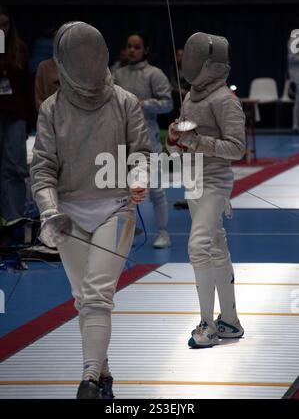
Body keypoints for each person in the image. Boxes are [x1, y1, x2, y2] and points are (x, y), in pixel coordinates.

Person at [30, 21, 151, 399]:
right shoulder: (51, 109)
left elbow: (143, 153)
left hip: (115, 208)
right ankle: (104, 373)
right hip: (67, 212)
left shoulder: (125, 102)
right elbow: (42, 168)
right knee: (85, 298)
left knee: (98, 294)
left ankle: (87, 380)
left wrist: (139, 177)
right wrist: (50, 211)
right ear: (62, 61)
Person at [167, 32, 245, 348]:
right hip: (193, 180)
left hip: (215, 182)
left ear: (211, 64)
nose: (190, 62)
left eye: (197, 57)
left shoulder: (225, 99)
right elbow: (184, 139)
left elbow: (238, 148)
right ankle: (230, 321)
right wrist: (175, 139)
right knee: (215, 246)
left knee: (199, 246)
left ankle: (207, 325)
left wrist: (198, 142)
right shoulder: (191, 96)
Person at [114, 32, 173, 248]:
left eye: (136, 47)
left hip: (149, 140)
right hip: (123, 140)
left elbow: (168, 104)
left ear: (145, 50)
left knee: (155, 189)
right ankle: (128, 232)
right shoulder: (117, 75)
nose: (132, 50)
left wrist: (144, 104)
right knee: (123, 191)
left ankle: (163, 232)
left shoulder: (154, 74)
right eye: (129, 46)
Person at [0, 6, 35, 224]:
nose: (2, 29)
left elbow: (26, 86)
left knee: (14, 167)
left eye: (5, 24)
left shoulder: (19, 49)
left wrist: (29, 119)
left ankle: (14, 218)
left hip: (15, 115)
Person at [288, 32, 299, 132]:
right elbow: (291, 57)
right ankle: (295, 125)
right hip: (296, 76)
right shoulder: (294, 40)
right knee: (298, 102)